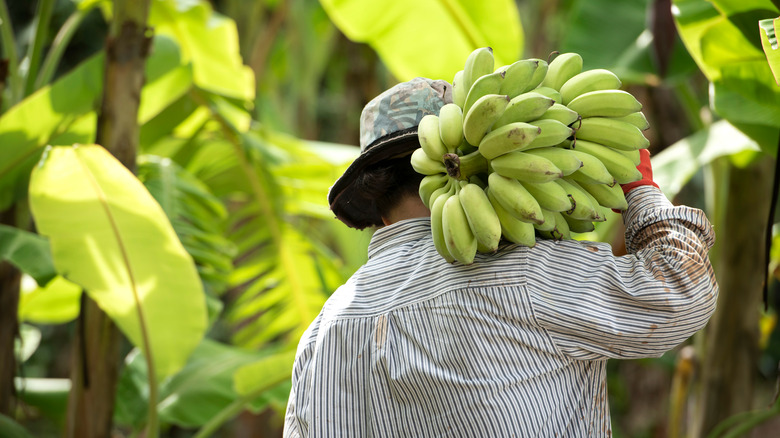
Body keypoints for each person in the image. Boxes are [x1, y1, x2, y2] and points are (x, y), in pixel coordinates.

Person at [283, 77, 718, 437]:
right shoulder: (522, 275)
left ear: (373, 204)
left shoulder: (321, 333)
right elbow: (683, 287)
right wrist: (641, 189)